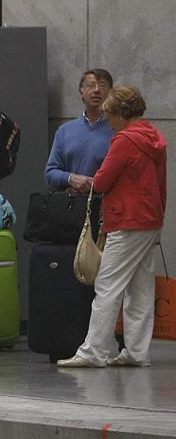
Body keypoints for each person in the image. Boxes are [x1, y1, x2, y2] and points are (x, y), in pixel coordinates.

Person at [58, 86, 167, 368]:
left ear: (121, 114)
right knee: (140, 288)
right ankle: (136, 352)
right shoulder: (154, 137)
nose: (109, 122)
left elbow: (103, 181)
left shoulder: (125, 140)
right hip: (149, 220)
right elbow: (161, 185)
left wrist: (90, 179)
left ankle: (94, 351)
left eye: (111, 116)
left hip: (127, 220)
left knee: (107, 285)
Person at [45, 68, 114, 192]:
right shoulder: (65, 131)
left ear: (110, 92)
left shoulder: (118, 130)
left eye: (102, 85)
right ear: (81, 92)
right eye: (91, 85)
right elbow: (50, 172)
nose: (96, 90)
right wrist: (70, 178)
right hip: (72, 205)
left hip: (107, 206)